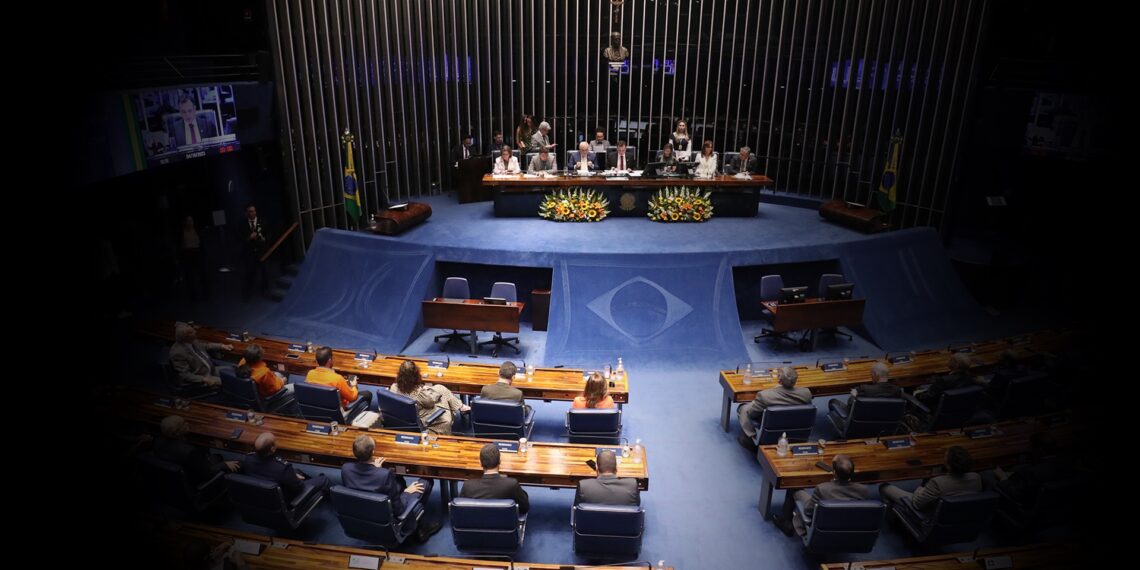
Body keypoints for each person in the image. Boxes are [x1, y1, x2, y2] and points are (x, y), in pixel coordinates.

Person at [342, 435, 441, 541]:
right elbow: (399, 509)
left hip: (363, 515)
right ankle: (420, 528)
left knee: (397, 480)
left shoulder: (346, 469)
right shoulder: (383, 475)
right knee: (426, 482)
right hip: (388, 518)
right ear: (373, 452)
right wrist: (407, 492)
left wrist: (376, 470)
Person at [879, 446, 983, 519]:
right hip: (959, 514)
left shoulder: (938, 482)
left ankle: (891, 519)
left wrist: (921, 489)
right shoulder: (976, 477)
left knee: (885, 487)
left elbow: (917, 504)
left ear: (948, 465)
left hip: (929, 513)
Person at [787, 454, 868, 536]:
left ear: (834, 472)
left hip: (824, 528)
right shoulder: (863, 490)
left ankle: (788, 524)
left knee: (794, 489)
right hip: (848, 529)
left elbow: (808, 511)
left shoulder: (822, 489)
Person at [737, 366, 812, 450]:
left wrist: (752, 404)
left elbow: (752, 414)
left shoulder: (765, 396)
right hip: (796, 432)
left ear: (779, 380)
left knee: (744, 409)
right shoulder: (807, 393)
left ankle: (749, 438)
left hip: (771, 429)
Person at [240, 432, 329, 501]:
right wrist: (295, 478)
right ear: (272, 449)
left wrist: (292, 475)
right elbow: (298, 487)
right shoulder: (282, 468)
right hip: (286, 498)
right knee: (323, 479)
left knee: (297, 471)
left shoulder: (248, 459)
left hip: (262, 496)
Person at [154, 415, 238, 485]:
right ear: (177, 432)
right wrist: (224, 464)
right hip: (194, 480)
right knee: (237, 464)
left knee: (217, 457)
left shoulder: (158, 441)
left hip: (173, 477)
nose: (187, 423)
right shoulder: (189, 451)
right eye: (183, 424)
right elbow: (206, 474)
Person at [389, 360, 469, 434]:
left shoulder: (394, 387)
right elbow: (430, 403)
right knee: (443, 399)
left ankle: (461, 406)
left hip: (407, 413)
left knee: (440, 387)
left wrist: (423, 389)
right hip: (424, 416)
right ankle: (460, 408)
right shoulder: (419, 394)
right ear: (416, 375)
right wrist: (426, 390)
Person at [459, 443, 529, 514]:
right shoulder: (511, 484)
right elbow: (525, 507)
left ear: (480, 463)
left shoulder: (468, 486)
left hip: (476, 523)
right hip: (503, 523)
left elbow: (460, 509)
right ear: (500, 462)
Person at [169, 321, 232, 390]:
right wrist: (203, 379)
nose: (195, 332)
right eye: (192, 333)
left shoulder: (193, 341)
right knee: (229, 382)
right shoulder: (178, 353)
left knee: (232, 371)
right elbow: (185, 375)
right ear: (186, 337)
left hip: (211, 369)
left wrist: (222, 346)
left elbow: (206, 345)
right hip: (202, 375)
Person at [305, 346, 373, 410]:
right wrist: (354, 385)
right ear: (329, 360)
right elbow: (352, 397)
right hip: (338, 412)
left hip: (317, 409)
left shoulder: (310, 374)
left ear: (317, 361)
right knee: (367, 394)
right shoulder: (337, 379)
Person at [827, 362, 900, 418]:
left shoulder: (865, 389)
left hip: (860, 422)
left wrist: (853, 396)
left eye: (871, 374)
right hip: (885, 425)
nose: (871, 377)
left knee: (833, 401)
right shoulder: (897, 390)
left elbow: (850, 404)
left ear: (876, 375)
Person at [575, 450, 639, 506]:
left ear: (597, 468)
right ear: (616, 468)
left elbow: (577, 506)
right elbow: (636, 505)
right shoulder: (632, 485)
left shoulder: (584, 486)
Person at [237, 204, 271, 302]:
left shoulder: (263, 222)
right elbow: (239, 238)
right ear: (246, 213)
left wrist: (265, 239)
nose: (252, 213)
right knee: (250, 273)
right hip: (249, 253)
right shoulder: (242, 225)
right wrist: (248, 238)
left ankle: (265, 290)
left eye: (253, 211)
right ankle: (247, 294)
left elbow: (269, 233)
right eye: (250, 211)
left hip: (262, 252)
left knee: (264, 271)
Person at [178, 215, 210, 302]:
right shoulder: (181, 233)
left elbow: (202, 243)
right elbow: (180, 246)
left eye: (191, 221)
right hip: (187, 255)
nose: (190, 223)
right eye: (188, 221)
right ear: (184, 222)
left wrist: (203, 255)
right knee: (190, 277)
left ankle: (206, 295)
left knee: (202, 276)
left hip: (197, 254)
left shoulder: (197, 231)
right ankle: (193, 297)